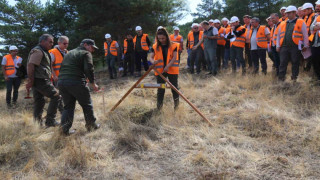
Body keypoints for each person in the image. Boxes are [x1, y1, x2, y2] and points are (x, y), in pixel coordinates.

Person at [58, 39, 100, 135]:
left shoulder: (69, 52)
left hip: (62, 82)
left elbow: (62, 67)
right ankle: (91, 125)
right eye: (92, 47)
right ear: (85, 45)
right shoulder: (85, 53)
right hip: (75, 82)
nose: (92, 50)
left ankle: (64, 130)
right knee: (87, 104)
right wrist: (93, 83)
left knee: (68, 107)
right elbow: (89, 68)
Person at [26, 34, 60, 127]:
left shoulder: (43, 50)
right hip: (40, 80)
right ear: (42, 41)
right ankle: (50, 121)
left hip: (39, 79)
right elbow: (30, 65)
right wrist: (31, 81)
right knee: (56, 96)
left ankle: (37, 123)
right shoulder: (38, 51)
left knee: (39, 101)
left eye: (52, 42)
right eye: (50, 42)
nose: (52, 44)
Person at [276, 6, 309, 82]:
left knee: (295, 62)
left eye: (289, 13)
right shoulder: (282, 23)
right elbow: (278, 35)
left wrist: (306, 45)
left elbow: (305, 34)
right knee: (283, 63)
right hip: (284, 46)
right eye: (287, 13)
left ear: (294, 13)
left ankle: (294, 78)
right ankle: (281, 79)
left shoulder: (301, 22)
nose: (287, 14)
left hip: (295, 46)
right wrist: (278, 45)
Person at [150, 28, 179, 110]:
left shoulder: (174, 45)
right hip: (160, 71)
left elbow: (174, 57)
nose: (161, 40)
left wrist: (168, 66)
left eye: (163, 38)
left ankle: (177, 108)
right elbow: (150, 58)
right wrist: (153, 61)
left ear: (166, 36)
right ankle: (159, 109)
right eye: (159, 38)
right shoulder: (155, 46)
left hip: (172, 70)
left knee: (174, 89)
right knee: (160, 89)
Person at [49, 36, 69, 113]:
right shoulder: (53, 52)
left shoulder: (67, 52)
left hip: (66, 77)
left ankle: (66, 108)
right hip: (57, 78)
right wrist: (54, 75)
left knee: (66, 94)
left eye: (67, 43)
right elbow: (49, 65)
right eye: (64, 43)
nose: (66, 45)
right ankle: (61, 110)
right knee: (58, 94)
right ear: (59, 43)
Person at [302, 3, 316, 71]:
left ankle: (310, 68)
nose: (304, 12)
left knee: (313, 55)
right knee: (309, 55)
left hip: (313, 39)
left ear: (310, 9)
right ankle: (309, 68)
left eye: (305, 11)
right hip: (309, 38)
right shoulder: (307, 17)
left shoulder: (314, 16)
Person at [310, 0, 320, 81]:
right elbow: (311, 27)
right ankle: (318, 78)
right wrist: (316, 26)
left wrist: (317, 26)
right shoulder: (315, 16)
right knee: (315, 60)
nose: (317, 8)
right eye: (316, 6)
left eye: (318, 6)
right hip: (315, 43)